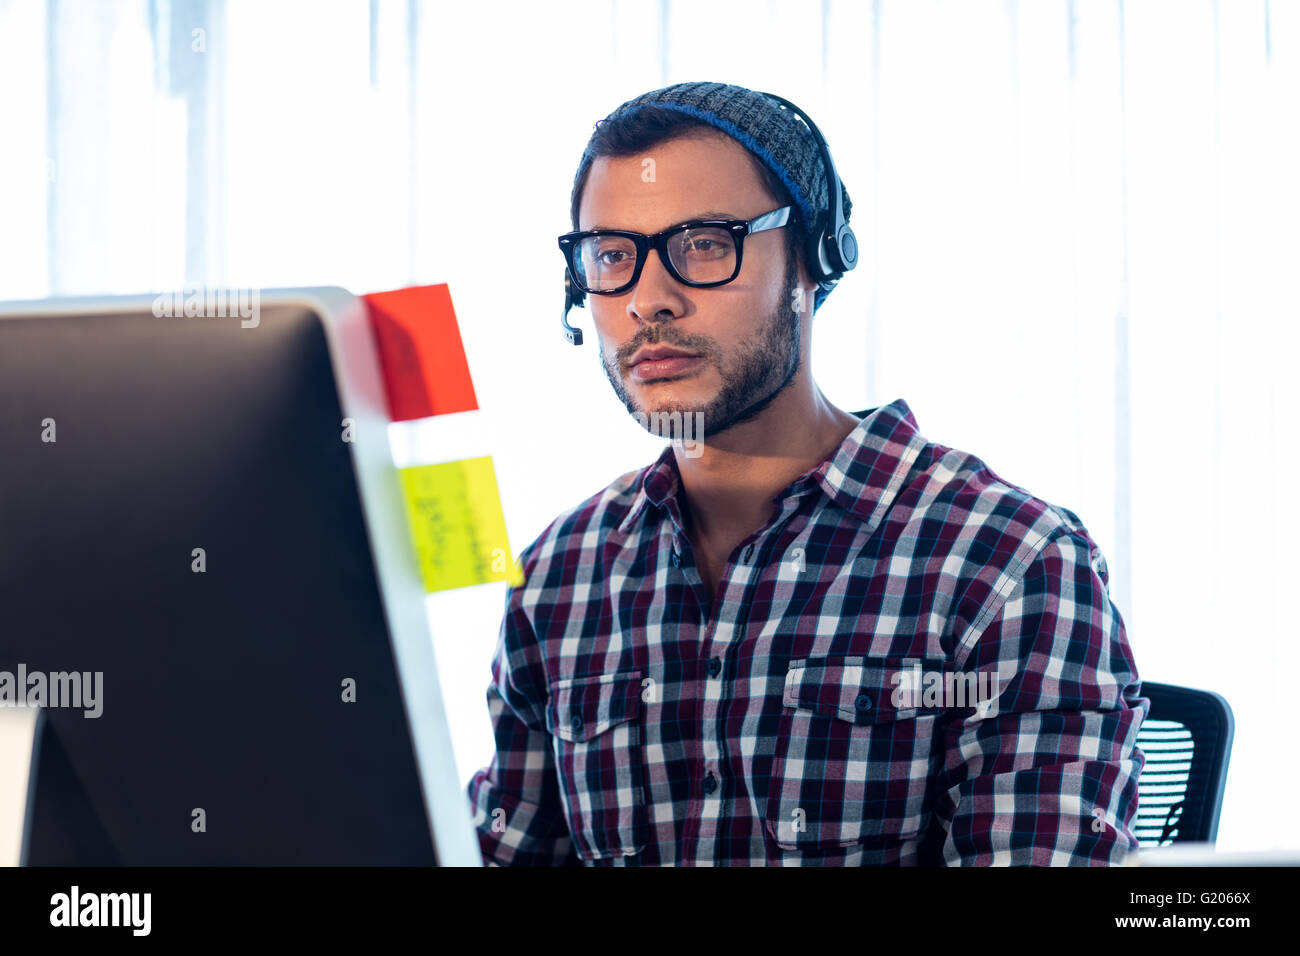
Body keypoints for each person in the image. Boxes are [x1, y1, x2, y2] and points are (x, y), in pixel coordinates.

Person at [465, 80, 1147, 865]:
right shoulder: (559, 574)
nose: (649, 300)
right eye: (613, 256)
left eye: (704, 244)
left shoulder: (1010, 564)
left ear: (813, 261)